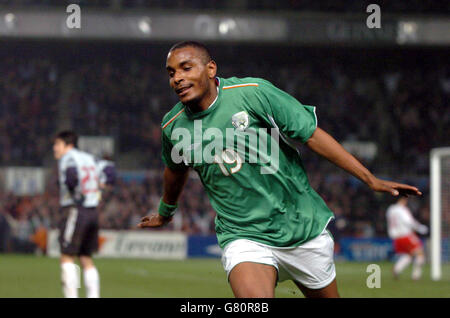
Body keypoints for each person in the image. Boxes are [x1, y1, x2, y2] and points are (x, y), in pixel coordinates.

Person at [138, 41, 422, 298]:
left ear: (211, 69)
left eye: (186, 68)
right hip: (244, 234)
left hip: (300, 226)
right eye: (171, 72)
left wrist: (369, 179)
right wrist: (165, 212)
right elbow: (175, 170)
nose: (177, 78)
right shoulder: (172, 126)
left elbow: (310, 135)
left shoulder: (254, 94)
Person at [53, 130, 115, 298]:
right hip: (93, 212)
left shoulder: (68, 158)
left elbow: (72, 177)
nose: (54, 148)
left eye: (57, 144)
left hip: (75, 210)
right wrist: (104, 185)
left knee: (67, 257)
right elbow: (109, 169)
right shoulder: (89, 158)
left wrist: (76, 192)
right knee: (86, 258)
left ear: (68, 145)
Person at [386, 197, 428, 280]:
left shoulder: (390, 209)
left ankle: (397, 268)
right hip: (405, 235)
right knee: (420, 254)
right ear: (401, 200)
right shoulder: (402, 210)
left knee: (409, 254)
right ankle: (416, 276)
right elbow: (408, 221)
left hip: (396, 237)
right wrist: (420, 228)